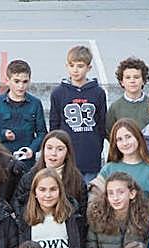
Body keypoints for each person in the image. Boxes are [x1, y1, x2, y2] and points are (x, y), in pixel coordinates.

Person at [49, 45, 108, 179]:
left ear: (89, 68)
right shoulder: (58, 93)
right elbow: (54, 126)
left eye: (80, 66)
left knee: (89, 194)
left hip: (90, 155)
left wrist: (97, 146)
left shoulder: (98, 93)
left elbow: (101, 124)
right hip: (67, 156)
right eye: (71, 65)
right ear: (66, 66)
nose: (75, 70)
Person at [12, 131, 89, 225]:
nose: (53, 153)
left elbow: (82, 215)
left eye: (60, 149)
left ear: (67, 152)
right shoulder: (29, 178)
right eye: (49, 148)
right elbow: (18, 206)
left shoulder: (77, 180)